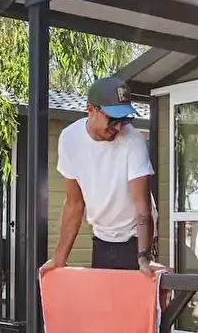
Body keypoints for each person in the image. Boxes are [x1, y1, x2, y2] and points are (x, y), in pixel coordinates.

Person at [43, 76, 163, 273]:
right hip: (101, 237)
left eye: (123, 120)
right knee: (104, 292)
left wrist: (144, 257)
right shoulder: (70, 139)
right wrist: (59, 259)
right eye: (113, 119)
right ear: (91, 110)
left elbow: (143, 207)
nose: (118, 127)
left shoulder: (133, 141)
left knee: (135, 291)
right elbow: (74, 204)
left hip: (136, 237)